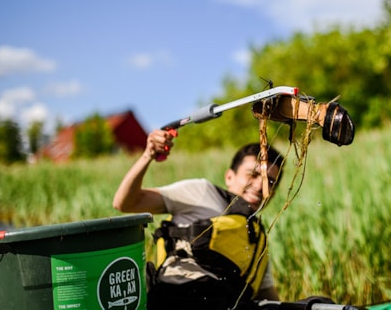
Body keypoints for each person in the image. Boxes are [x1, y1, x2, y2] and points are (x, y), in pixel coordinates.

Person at [113, 128, 284, 310]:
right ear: (229, 177)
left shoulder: (257, 239)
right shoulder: (200, 192)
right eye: (253, 175)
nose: (260, 186)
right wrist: (148, 155)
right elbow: (126, 203)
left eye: (270, 182)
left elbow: (268, 296)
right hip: (180, 297)